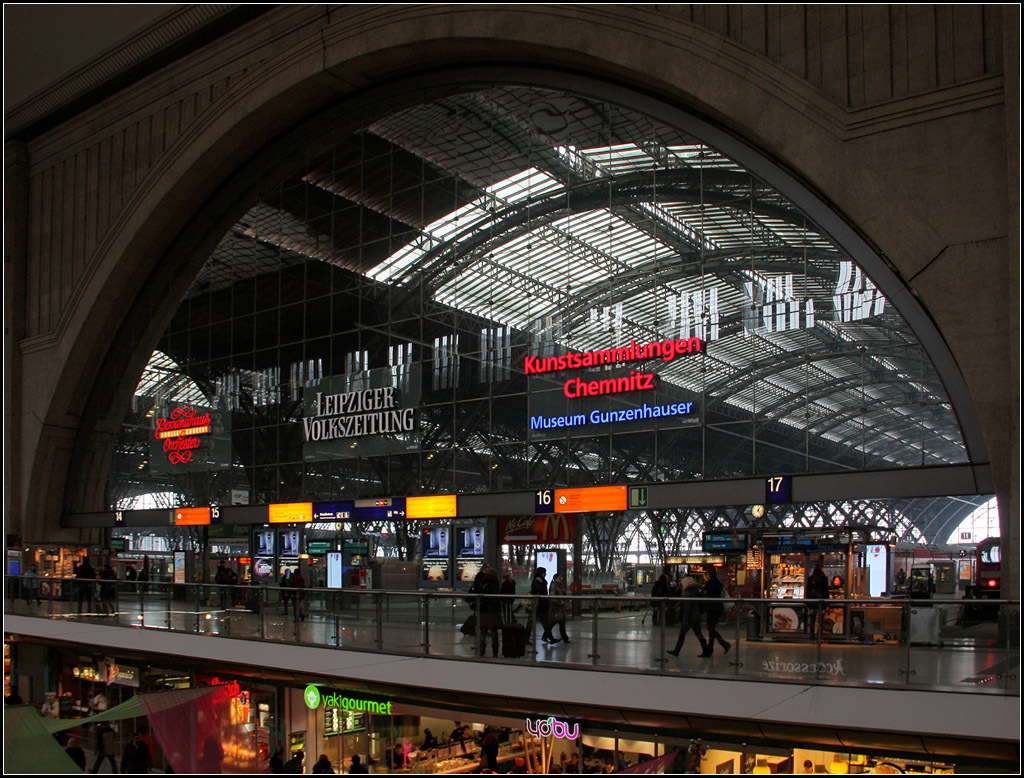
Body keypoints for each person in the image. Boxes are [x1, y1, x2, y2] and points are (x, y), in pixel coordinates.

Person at [667, 574, 709, 657]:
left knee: (683, 634)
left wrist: (685, 619)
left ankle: (676, 650)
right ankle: (706, 650)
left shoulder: (688, 593)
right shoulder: (695, 591)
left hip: (690, 617)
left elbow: (687, 607)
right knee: (698, 634)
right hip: (695, 615)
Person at [700, 567, 730, 656]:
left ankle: (722, 644)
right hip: (717, 608)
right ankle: (713, 647)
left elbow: (708, 594)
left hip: (713, 608)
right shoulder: (716, 583)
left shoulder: (711, 584)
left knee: (711, 628)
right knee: (711, 628)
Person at [476, 564, 501, 656]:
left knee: (483, 630)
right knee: (493, 630)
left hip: (483, 609)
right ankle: (495, 649)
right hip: (493, 610)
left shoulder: (482, 583)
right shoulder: (495, 584)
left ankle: (482, 648)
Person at [805, 563, 830, 635]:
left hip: (812, 603)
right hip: (822, 603)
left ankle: (812, 636)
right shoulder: (824, 578)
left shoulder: (810, 579)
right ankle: (819, 636)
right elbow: (826, 592)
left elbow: (807, 591)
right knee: (820, 621)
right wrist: (827, 603)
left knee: (812, 621)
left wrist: (807, 603)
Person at [531, 567, 554, 644]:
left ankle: (549, 637)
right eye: (544, 573)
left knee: (545, 622)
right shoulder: (537, 581)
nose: (545, 574)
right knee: (544, 621)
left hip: (542, 604)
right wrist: (542, 583)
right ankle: (550, 638)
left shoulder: (541, 581)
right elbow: (539, 590)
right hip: (540, 604)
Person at [548, 573, 571, 644]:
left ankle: (565, 638)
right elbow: (553, 597)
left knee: (561, 623)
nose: (561, 579)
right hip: (556, 608)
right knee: (553, 623)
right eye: (559, 578)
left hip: (561, 608)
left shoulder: (561, 585)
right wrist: (560, 602)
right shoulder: (553, 586)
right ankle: (546, 635)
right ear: (555, 579)